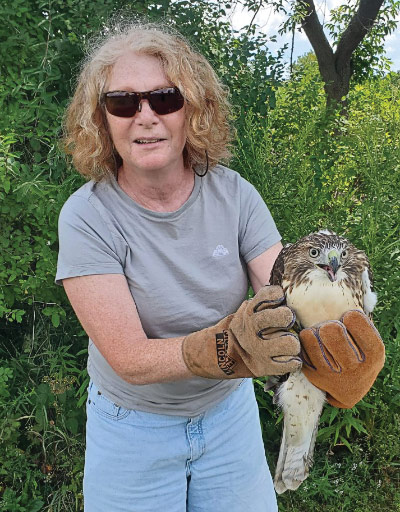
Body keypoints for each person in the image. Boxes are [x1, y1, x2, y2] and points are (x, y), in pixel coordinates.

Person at [56, 22, 384, 512]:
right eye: (123, 102)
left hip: (227, 414)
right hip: (133, 428)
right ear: (101, 119)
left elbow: (288, 294)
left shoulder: (235, 195)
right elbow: (127, 357)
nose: (145, 116)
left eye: (165, 99)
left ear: (193, 109)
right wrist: (226, 350)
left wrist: (333, 355)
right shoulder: (87, 216)